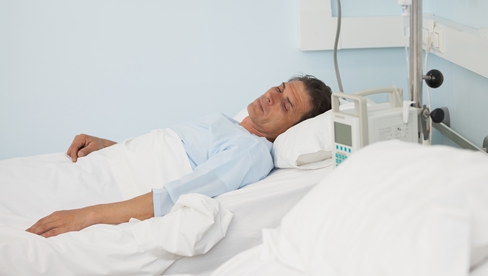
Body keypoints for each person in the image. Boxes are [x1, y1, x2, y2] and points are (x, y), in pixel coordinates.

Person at [24, 74, 332, 238]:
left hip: (111, 186)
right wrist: (110, 146)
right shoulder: (231, 125)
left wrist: (86, 216)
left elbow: (176, 194)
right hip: (106, 163)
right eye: (279, 87)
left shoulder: (251, 151)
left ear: (291, 130)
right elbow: (170, 153)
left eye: (286, 105)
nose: (272, 96)